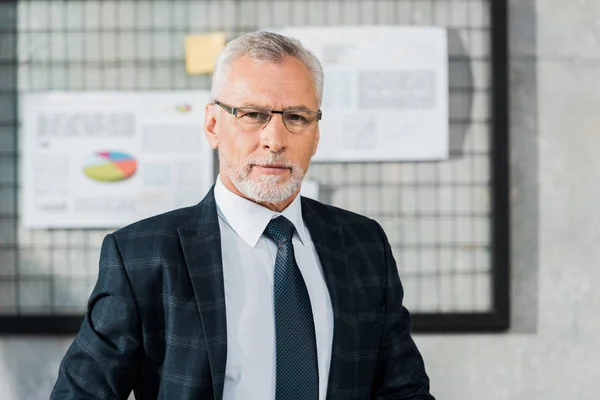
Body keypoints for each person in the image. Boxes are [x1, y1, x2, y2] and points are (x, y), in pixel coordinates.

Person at [51, 31, 434, 400]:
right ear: (213, 125)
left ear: (316, 134)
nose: (275, 139)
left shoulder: (363, 245)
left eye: (297, 118)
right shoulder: (141, 256)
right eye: (253, 114)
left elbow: (403, 390)